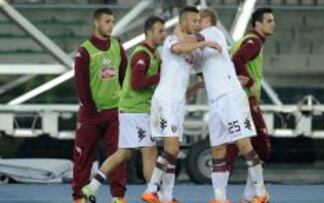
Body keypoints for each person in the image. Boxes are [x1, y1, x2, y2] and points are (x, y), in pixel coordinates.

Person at [187, 8, 270, 203]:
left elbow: (193, 40)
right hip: (216, 101)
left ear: (207, 20)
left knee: (243, 144)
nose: (197, 23)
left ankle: (261, 193)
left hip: (230, 97)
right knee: (217, 148)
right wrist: (193, 87)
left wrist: (179, 36)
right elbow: (202, 69)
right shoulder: (202, 46)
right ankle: (220, 198)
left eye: (199, 20)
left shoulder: (213, 32)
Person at [81, 16, 167, 202]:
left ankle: (92, 187)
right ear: (149, 32)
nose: (163, 34)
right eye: (160, 31)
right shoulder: (141, 54)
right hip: (137, 110)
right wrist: (160, 77)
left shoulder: (154, 54)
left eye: (164, 30)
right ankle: (152, 193)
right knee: (149, 151)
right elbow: (137, 83)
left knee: (124, 153)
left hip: (131, 109)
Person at [141, 6, 222, 203]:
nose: (196, 25)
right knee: (172, 150)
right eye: (193, 21)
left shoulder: (190, 49)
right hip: (165, 102)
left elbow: (190, 69)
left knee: (173, 151)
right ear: (183, 22)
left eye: (198, 21)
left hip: (177, 104)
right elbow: (179, 48)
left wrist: (199, 85)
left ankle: (167, 197)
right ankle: (151, 190)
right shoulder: (171, 40)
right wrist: (207, 42)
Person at [72, 8, 127, 203]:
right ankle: (79, 197)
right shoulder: (84, 50)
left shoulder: (118, 47)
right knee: (83, 157)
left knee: (118, 155)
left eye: (112, 21)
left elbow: (124, 78)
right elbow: (81, 84)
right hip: (90, 115)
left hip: (114, 113)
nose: (111, 25)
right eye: (107, 21)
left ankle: (118, 197)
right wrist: (90, 109)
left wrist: (123, 105)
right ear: (96, 23)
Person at [227, 8, 275, 203]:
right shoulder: (253, 41)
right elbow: (237, 60)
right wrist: (250, 83)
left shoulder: (246, 40)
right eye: (269, 20)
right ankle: (255, 195)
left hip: (237, 100)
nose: (273, 23)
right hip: (245, 100)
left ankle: (246, 195)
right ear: (257, 24)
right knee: (262, 148)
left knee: (232, 148)